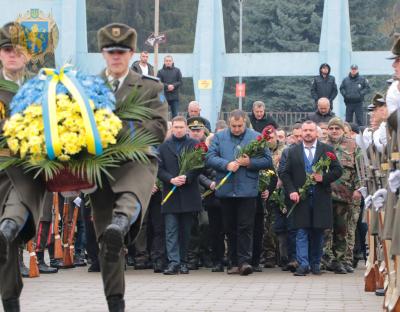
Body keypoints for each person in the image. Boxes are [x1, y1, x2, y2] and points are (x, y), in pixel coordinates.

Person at [94, 23, 168, 311]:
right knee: (107, 245)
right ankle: (116, 303)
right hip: (99, 167)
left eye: (122, 51)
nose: (116, 56)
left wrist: (122, 132)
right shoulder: (88, 87)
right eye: (111, 51)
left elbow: (160, 127)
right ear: (103, 53)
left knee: (129, 199)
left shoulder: (151, 86)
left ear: (132, 53)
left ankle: (122, 221)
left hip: (137, 159)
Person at [0, 22, 48, 312]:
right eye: (7, 49)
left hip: (27, 173)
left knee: (8, 229)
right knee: (5, 248)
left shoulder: (42, 88)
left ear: (28, 55)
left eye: (19, 50)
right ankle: (11, 302)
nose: (13, 55)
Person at [207, 109, 272, 276]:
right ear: (229, 123)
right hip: (226, 190)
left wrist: (249, 162)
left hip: (247, 190)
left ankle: (244, 262)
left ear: (245, 122)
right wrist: (226, 164)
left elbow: (267, 160)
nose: (236, 129)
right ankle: (233, 262)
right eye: (233, 126)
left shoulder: (256, 136)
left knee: (245, 227)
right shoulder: (219, 137)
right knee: (229, 227)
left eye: (239, 126)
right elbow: (209, 157)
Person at [280, 120, 342, 276]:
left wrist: (324, 178)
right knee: (301, 231)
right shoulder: (293, 151)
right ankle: (303, 264)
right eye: (305, 130)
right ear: (301, 132)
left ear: (317, 133)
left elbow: (338, 170)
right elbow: (285, 173)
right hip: (301, 198)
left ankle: (315, 263)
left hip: (320, 197)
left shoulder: (327, 149)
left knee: (318, 232)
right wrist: (291, 191)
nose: (308, 133)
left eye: (311, 130)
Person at [158, 116, 202, 275]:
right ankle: (173, 262)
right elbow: (158, 168)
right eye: (175, 127)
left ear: (186, 129)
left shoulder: (194, 145)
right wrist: (170, 179)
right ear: (172, 129)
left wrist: (188, 177)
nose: (178, 130)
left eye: (181, 127)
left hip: (188, 193)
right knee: (171, 230)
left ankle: (184, 262)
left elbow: (199, 165)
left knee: (186, 231)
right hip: (170, 194)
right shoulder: (163, 147)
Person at [323, 117, 361, 274]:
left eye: (337, 128)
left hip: (345, 196)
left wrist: (360, 189)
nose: (334, 131)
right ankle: (327, 260)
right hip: (325, 195)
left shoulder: (353, 145)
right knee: (325, 230)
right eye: (331, 128)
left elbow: (360, 169)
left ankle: (340, 260)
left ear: (342, 130)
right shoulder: (322, 146)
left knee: (342, 230)